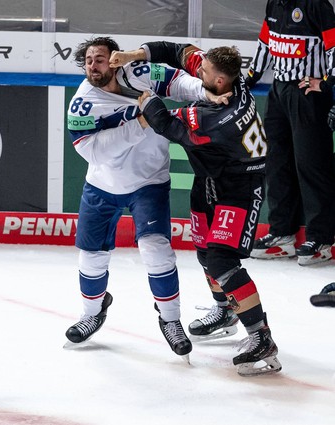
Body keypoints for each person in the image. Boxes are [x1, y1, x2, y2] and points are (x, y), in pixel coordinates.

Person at [110, 41, 282, 376]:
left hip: (239, 190)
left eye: (203, 72)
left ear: (219, 82)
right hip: (210, 180)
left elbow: (166, 124)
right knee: (205, 252)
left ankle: (262, 337)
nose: (197, 71)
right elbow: (178, 51)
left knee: (221, 259)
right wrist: (133, 56)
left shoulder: (218, 118)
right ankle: (225, 310)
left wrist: (144, 97)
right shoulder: (234, 79)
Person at [65, 36, 220, 360]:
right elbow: (92, 151)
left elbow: (179, 83)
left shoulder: (141, 72)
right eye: (89, 60)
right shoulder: (82, 103)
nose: (94, 65)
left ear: (116, 59)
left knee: (156, 250)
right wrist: (143, 122)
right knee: (91, 256)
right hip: (102, 184)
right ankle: (92, 313)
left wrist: (207, 93)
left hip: (149, 181)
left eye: (100, 58)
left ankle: (170, 320)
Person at [246, 0, 335, 266]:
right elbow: (265, 43)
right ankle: (281, 234)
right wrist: (249, 78)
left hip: (308, 93)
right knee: (277, 163)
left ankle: (322, 239)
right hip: (279, 91)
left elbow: (333, 48)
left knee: (311, 164)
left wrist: (329, 84)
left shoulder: (317, 5)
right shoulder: (275, 4)